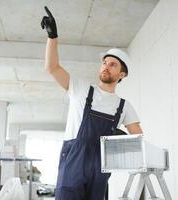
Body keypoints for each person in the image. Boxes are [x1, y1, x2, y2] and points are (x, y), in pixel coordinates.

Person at [41, 6, 143, 200]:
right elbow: (52, 67)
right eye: (105, 62)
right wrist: (52, 36)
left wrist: (122, 141)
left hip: (100, 167)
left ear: (121, 74)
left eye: (113, 65)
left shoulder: (124, 106)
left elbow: (138, 138)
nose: (106, 67)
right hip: (73, 162)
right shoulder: (80, 89)